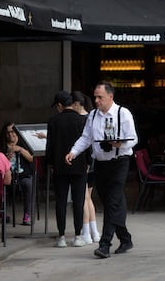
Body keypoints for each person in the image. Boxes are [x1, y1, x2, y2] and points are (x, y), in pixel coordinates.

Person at [65, 81, 138, 258]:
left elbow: (133, 139)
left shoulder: (123, 113)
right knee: (111, 202)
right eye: (96, 97)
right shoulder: (92, 116)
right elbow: (86, 138)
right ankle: (126, 238)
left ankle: (104, 244)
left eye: (100, 97)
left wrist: (120, 142)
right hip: (101, 164)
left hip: (119, 162)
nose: (96, 100)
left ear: (110, 97)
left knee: (112, 202)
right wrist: (73, 152)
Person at [46, 90, 89, 248]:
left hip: (60, 167)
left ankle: (62, 236)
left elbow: (49, 146)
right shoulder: (82, 120)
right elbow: (87, 143)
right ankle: (78, 236)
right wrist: (88, 162)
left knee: (61, 202)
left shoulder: (53, 121)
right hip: (79, 166)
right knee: (79, 201)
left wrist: (50, 164)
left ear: (59, 105)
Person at [71, 91, 100, 244]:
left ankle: (87, 232)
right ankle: (94, 232)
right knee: (88, 198)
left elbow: (85, 142)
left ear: (76, 104)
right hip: (92, 161)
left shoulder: (82, 119)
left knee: (83, 198)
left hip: (84, 162)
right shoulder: (91, 116)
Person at [0, 122, 34, 226]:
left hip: (22, 175)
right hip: (6, 176)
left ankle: (27, 215)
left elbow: (31, 158)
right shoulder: (0, 146)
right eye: (8, 133)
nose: (11, 135)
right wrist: (6, 159)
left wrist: (19, 149)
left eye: (13, 132)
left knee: (28, 184)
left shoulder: (24, 144)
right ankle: (2, 213)